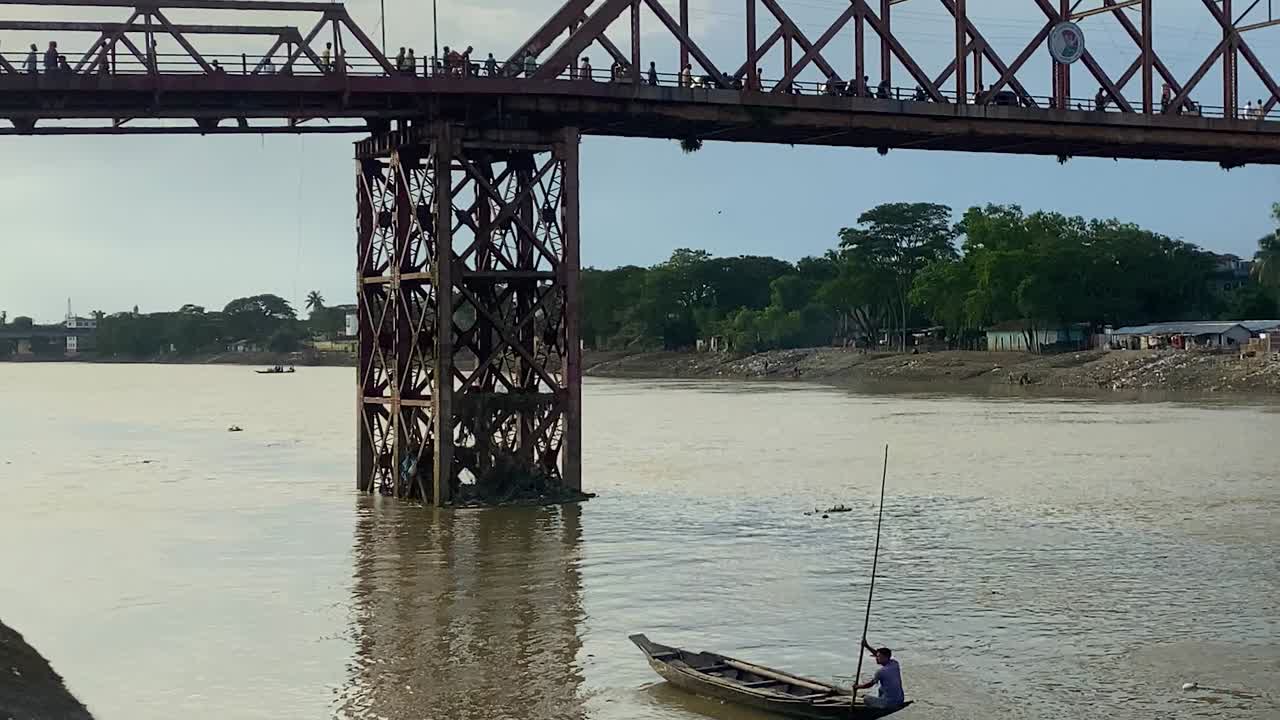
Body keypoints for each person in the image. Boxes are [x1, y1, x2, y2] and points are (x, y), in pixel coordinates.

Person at [855, 641, 905, 710]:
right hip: (900, 699)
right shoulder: (895, 663)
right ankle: (882, 701)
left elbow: (870, 685)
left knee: (866, 698)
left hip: (889, 703)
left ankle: (881, 706)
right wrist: (867, 646)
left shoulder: (881, 672)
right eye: (877, 656)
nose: (876, 658)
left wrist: (857, 687)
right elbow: (877, 653)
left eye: (878, 657)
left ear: (886, 657)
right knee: (881, 689)